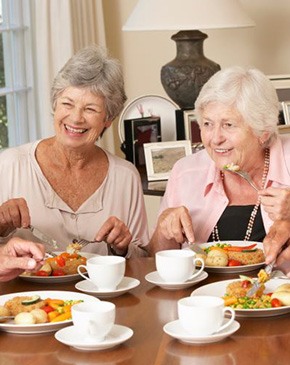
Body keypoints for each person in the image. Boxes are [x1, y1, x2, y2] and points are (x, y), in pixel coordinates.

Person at [0, 45, 149, 258]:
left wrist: (122, 248)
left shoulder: (125, 177)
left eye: (90, 109)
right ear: (55, 104)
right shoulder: (11, 165)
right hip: (27, 291)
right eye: (67, 104)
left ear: (107, 119)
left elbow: (142, 261)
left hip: (99, 292)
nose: (76, 118)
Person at [147, 66, 290, 254]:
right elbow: (156, 260)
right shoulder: (185, 172)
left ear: (262, 132)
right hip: (200, 284)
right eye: (207, 124)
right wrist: (165, 229)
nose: (215, 139)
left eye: (228, 125)